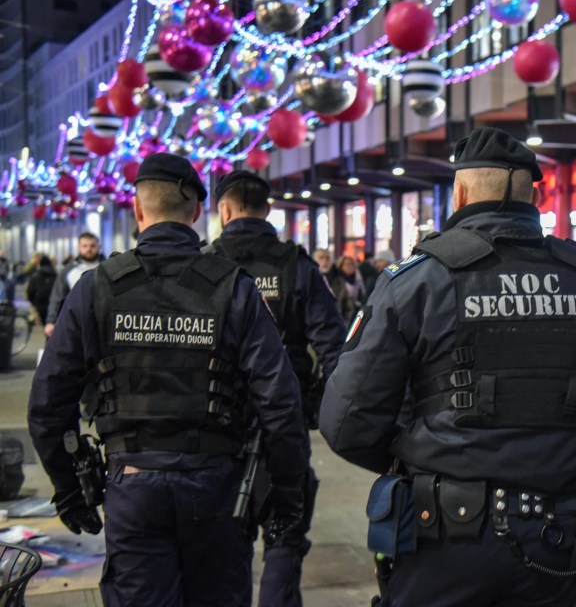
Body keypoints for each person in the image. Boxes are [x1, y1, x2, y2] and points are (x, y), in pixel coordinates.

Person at [319, 127, 576, 607]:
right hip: (561, 535)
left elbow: (346, 422)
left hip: (446, 533)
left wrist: (411, 457)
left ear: (462, 192)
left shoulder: (418, 282)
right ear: (534, 194)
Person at [27, 153, 310, 607]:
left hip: (131, 484)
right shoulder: (233, 287)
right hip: (216, 489)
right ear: (197, 213)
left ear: (138, 211)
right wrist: (287, 492)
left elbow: (47, 404)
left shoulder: (96, 287)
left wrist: (68, 488)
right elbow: (279, 400)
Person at [208, 169, 346, 607]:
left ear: (223, 210)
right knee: (285, 529)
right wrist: (319, 405)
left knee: (227, 541)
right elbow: (335, 348)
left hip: (218, 424)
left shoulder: (206, 264)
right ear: (268, 210)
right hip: (285, 420)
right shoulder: (297, 265)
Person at [45, 232, 102, 337]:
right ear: (78, 248)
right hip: (75, 324)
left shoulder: (108, 268)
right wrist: (51, 321)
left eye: (92, 246)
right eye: (85, 246)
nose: (89, 249)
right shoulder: (68, 270)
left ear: (99, 247)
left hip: (102, 324)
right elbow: (57, 296)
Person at [26, 255, 57, 324]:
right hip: (52, 304)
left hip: (39, 304)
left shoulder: (35, 276)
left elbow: (30, 291)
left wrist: (34, 302)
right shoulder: (56, 276)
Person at [336, 255, 366, 321]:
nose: (350, 267)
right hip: (342, 314)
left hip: (356, 313)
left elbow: (362, 295)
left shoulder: (358, 279)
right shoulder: (337, 281)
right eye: (347, 264)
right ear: (341, 266)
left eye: (352, 264)